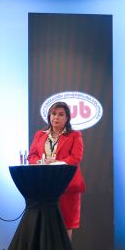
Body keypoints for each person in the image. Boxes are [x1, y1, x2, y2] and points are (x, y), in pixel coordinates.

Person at [26, 101, 85, 238]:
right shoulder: (40, 135)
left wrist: (56, 162)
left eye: (60, 114)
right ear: (49, 116)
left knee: (66, 224)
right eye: (53, 114)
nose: (56, 117)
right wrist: (41, 161)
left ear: (67, 118)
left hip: (67, 185)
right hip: (45, 185)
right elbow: (31, 156)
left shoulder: (75, 135)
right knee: (45, 225)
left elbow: (76, 158)